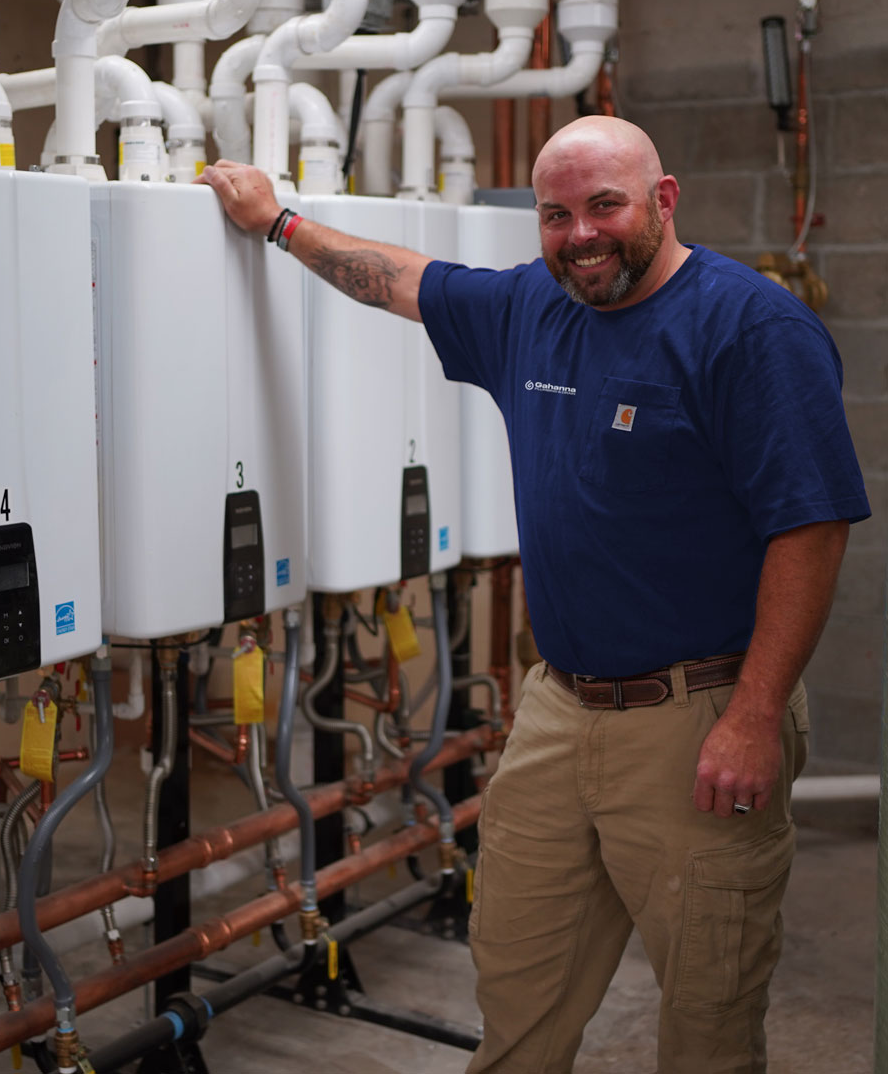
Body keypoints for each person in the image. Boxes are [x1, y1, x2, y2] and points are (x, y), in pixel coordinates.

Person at [197, 115, 870, 1073]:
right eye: (557, 214)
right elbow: (400, 278)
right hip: (559, 709)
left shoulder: (749, 329)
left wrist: (756, 716)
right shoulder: (533, 309)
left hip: (699, 717)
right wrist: (276, 222)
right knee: (516, 985)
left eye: (605, 205)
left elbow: (809, 529)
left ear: (662, 200)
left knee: (706, 1018)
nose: (580, 234)